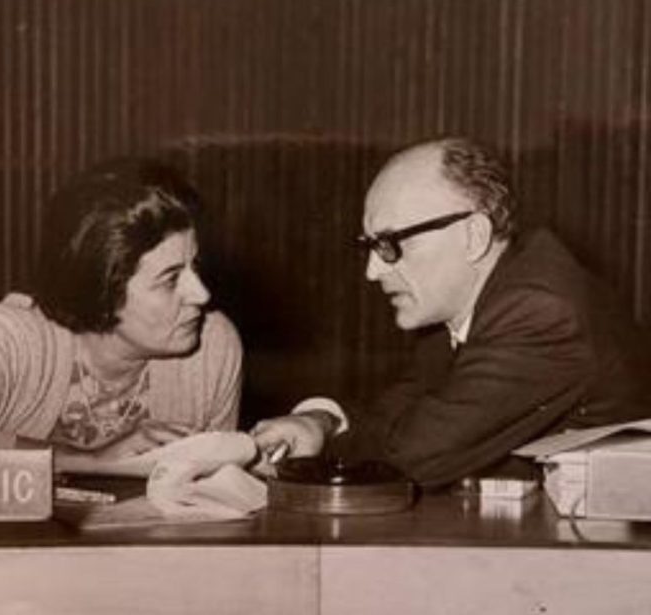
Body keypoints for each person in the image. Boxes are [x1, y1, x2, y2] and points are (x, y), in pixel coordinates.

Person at [252, 137, 651, 488]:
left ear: (473, 236)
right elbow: (399, 412)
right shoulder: (478, 302)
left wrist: (318, 447)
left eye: (390, 244)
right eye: (371, 247)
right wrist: (319, 423)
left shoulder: (537, 311)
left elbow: (412, 457)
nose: (373, 271)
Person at [0, 158, 242, 470]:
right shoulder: (12, 338)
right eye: (170, 279)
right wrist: (84, 461)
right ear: (102, 286)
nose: (202, 294)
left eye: (195, 265)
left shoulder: (212, 349)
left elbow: (214, 496)